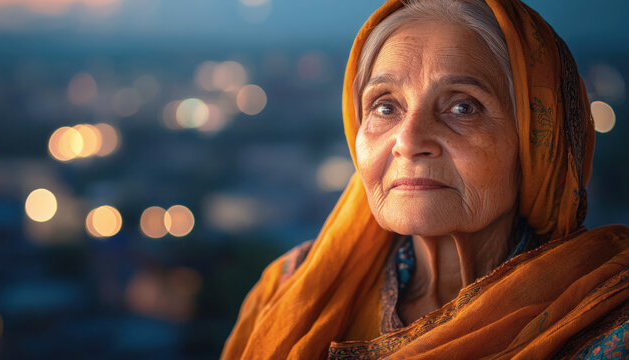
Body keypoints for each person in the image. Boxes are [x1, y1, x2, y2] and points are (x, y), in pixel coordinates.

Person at [221, 0, 629, 358]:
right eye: (385, 107)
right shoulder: (285, 291)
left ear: (540, 141)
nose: (410, 141)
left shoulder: (609, 318)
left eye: (463, 107)